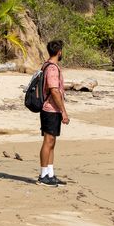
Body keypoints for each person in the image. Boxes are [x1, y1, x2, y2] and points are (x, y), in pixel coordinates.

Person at [38, 39, 69, 186]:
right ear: (59, 52)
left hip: (52, 109)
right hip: (50, 109)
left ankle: (50, 174)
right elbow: (54, 90)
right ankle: (43, 175)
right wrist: (63, 111)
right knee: (48, 141)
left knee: (52, 142)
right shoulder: (51, 68)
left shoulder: (49, 65)